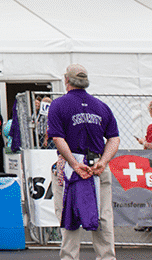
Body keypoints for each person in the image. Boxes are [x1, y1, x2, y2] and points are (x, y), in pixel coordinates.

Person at [48, 64, 120, 260]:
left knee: (68, 216)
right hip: (96, 165)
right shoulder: (100, 106)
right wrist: (104, 161)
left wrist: (72, 162)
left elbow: (57, 137)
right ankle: (107, 257)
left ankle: (69, 258)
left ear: (67, 80)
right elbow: (114, 138)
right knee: (103, 216)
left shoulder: (59, 104)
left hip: (72, 165)